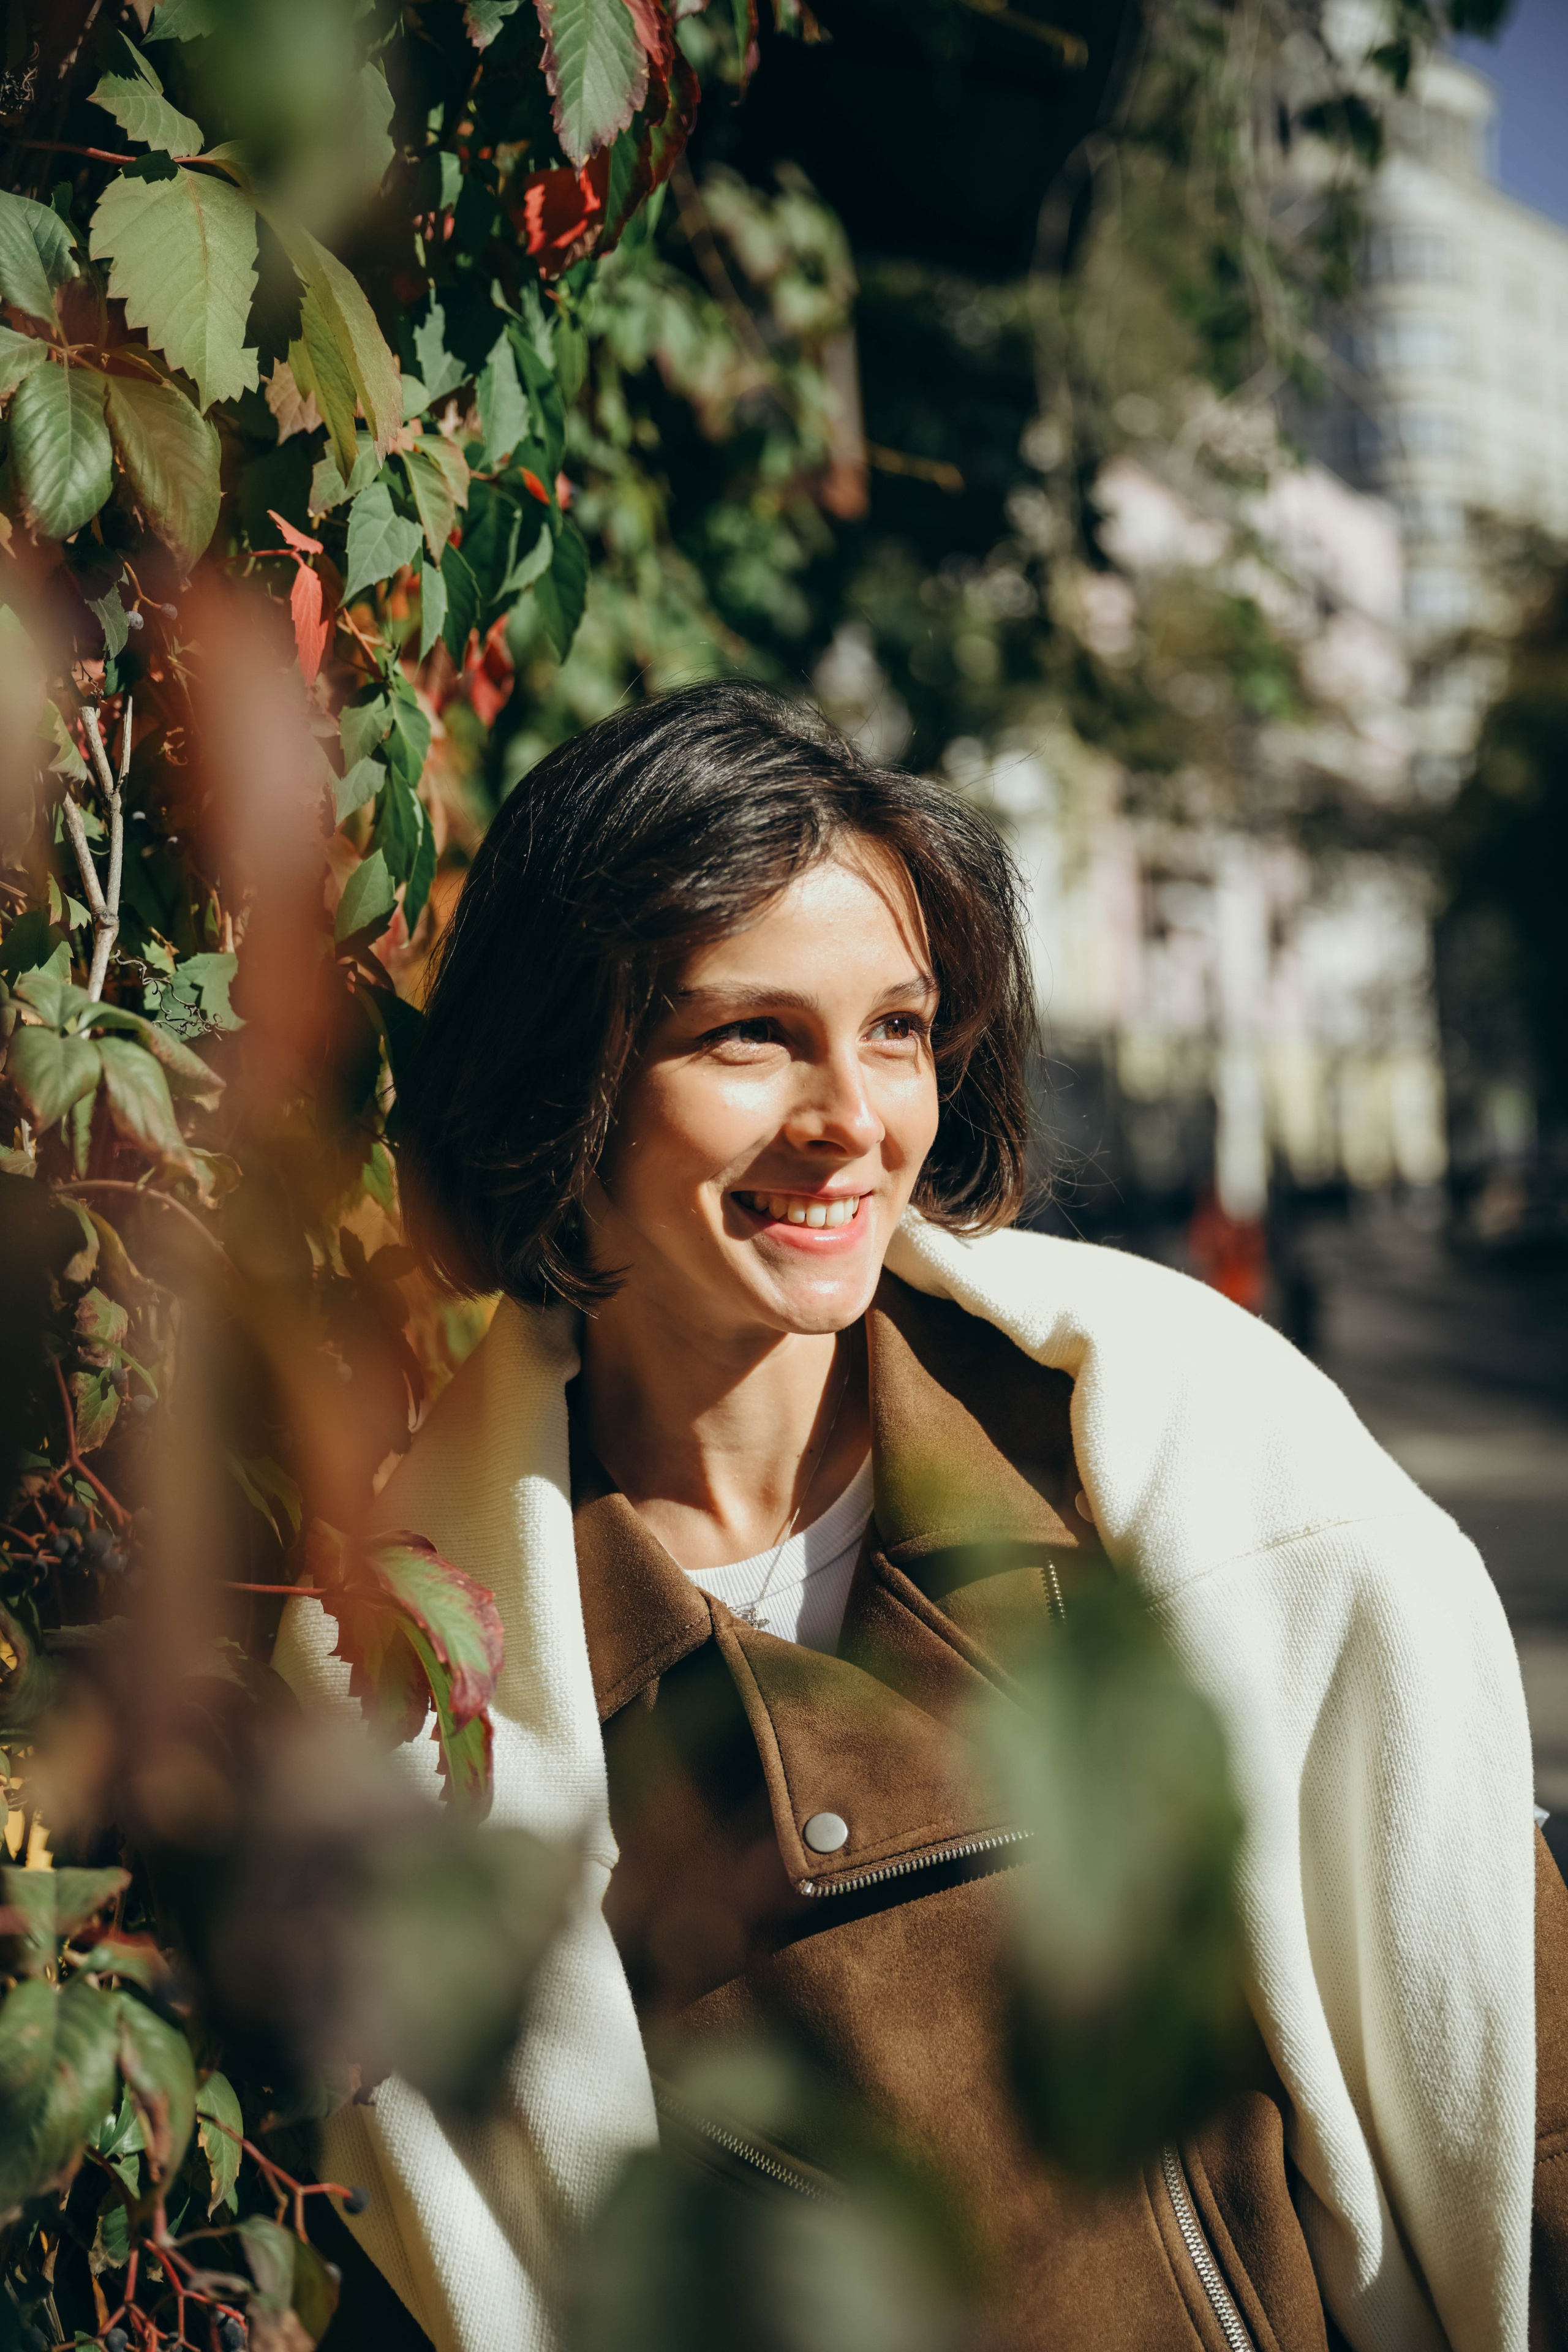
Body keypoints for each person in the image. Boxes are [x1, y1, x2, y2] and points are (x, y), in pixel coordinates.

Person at [277, 682, 1566, 2352]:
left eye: (897, 1029)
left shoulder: (1171, 1450)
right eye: (753, 1035)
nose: (854, 1123)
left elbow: (1524, 2087)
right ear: (564, 1084)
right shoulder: (415, 1690)